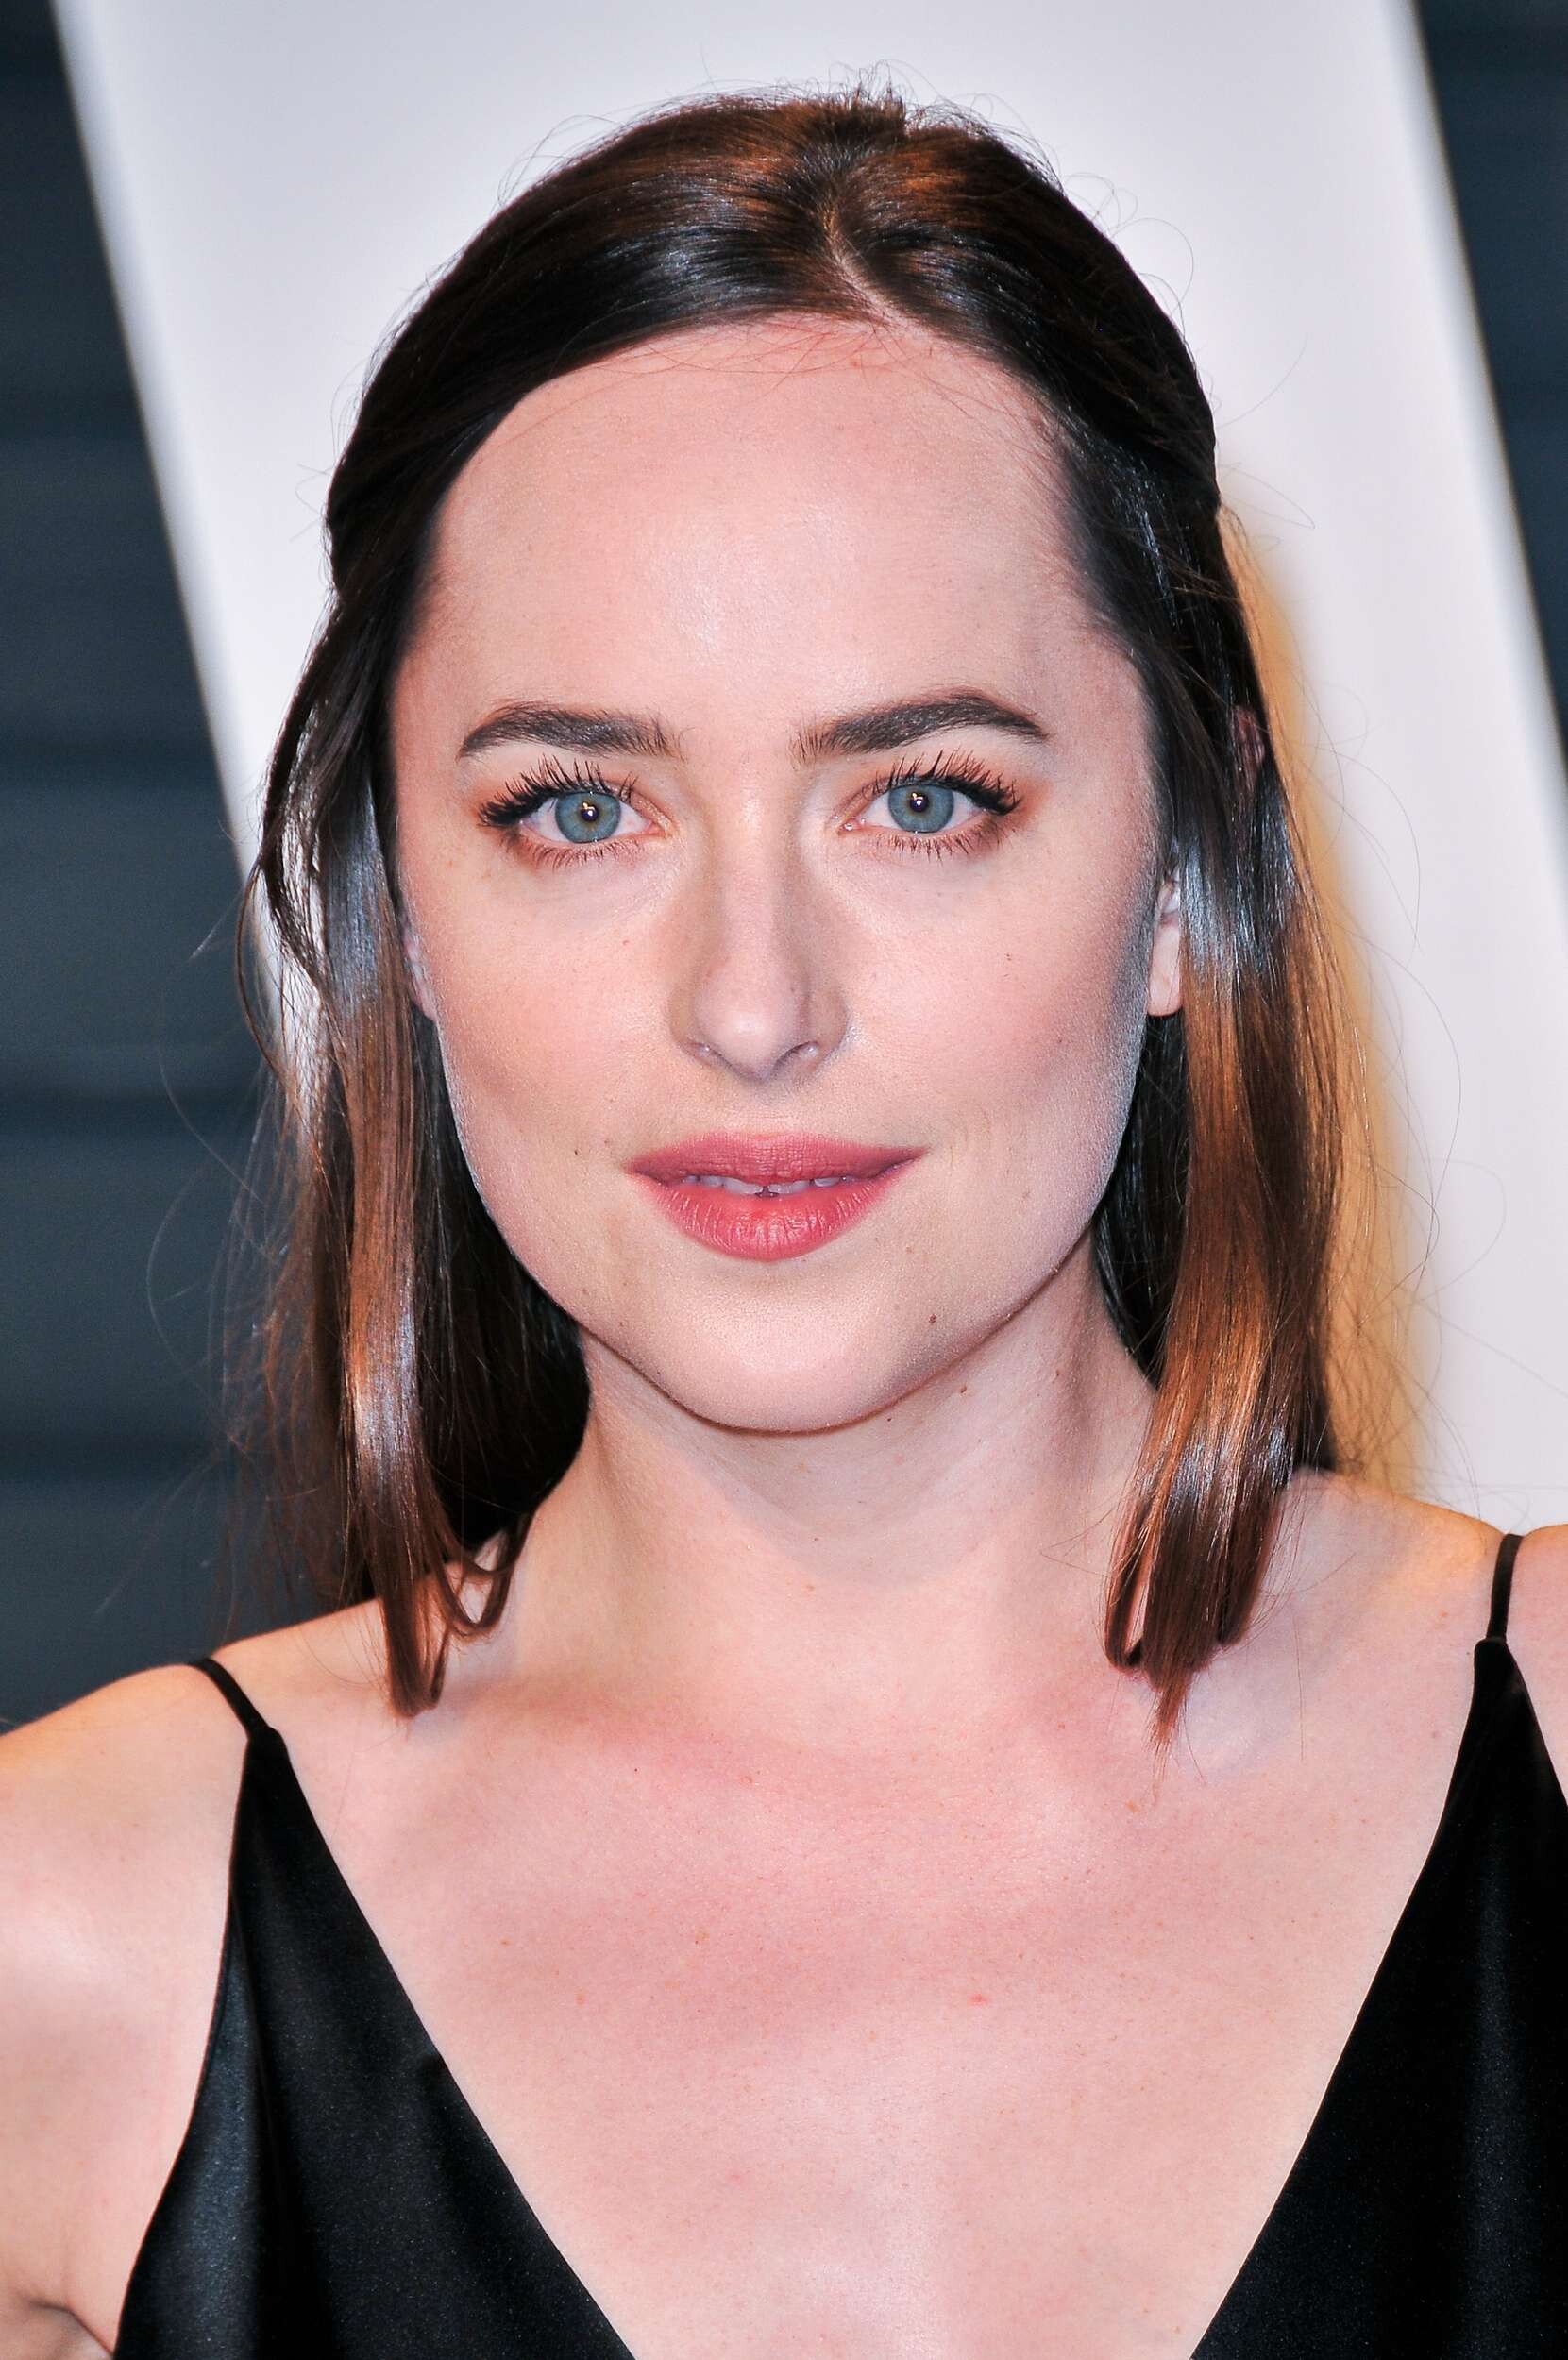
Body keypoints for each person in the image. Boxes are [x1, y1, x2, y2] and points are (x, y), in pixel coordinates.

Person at [2, 77, 1564, 2360]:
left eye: (923, 796)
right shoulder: (73, 1944)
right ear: (400, 905)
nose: (751, 1004)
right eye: (578, 809)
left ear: (1186, 867)